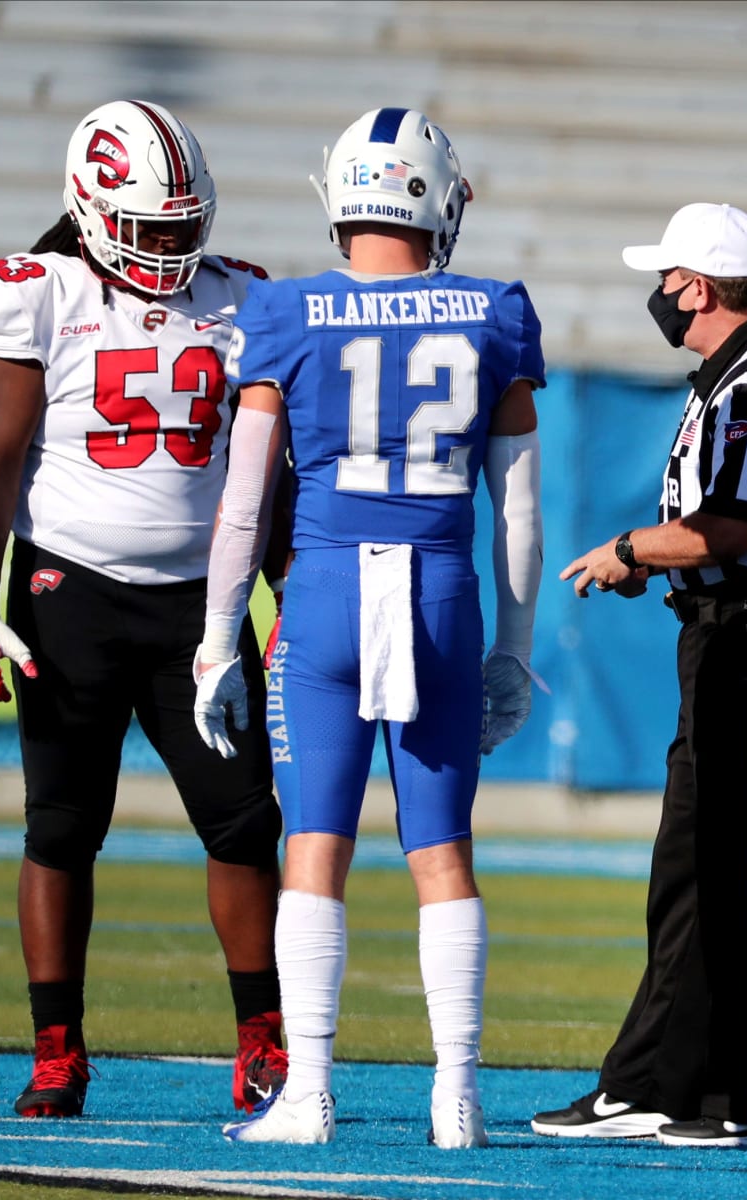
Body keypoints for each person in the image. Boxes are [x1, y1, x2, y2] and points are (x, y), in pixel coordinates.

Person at [193, 106, 545, 1149]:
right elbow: (517, 512)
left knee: (315, 845)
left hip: (329, 595)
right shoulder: (492, 311)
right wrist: (513, 652)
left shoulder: (284, 310)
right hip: (438, 591)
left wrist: (218, 636)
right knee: (442, 853)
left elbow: (246, 508)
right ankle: (458, 1095)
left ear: (341, 198)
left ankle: (307, 1095)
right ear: (437, 201)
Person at [0, 100, 287, 1119]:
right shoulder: (38, 295)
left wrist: (289, 592)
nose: (175, 248)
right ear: (90, 209)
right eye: (152, 229)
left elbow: (270, 472)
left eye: (188, 227)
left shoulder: (241, 301)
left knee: (243, 827)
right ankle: (58, 1052)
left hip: (203, 608)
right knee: (60, 829)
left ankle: (264, 1041)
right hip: (71, 594)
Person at [532, 204, 747, 1148]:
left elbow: (734, 525)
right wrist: (664, 566)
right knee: (690, 869)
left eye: (667, 278)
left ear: (698, 288)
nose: (659, 294)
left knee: (746, 868)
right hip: (722, 626)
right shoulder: (736, 377)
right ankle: (658, 1079)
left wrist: (631, 548)